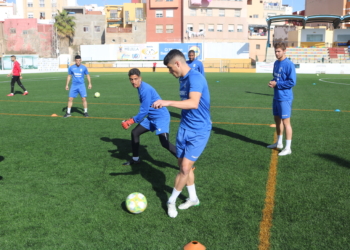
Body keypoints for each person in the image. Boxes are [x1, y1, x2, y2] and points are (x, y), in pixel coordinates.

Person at [152, 49, 211, 218]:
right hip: (184, 128)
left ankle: (171, 201)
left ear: (178, 63)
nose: (171, 72)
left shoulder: (196, 78)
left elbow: (193, 103)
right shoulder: (183, 79)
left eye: (171, 69)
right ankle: (193, 198)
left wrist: (167, 102)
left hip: (199, 130)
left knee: (185, 168)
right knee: (183, 166)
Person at [121, 68, 177, 165]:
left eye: (135, 79)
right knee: (135, 133)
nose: (133, 82)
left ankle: (186, 162)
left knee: (164, 143)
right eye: (131, 79)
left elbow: (144, 111)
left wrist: (131, 121)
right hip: (151, 117)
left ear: (140, 78)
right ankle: (135, 159)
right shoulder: (140, 87)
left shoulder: (145, 89)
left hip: (160, 117)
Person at [267, 42, 296, 156]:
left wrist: (277, 84)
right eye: (275, 51)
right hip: (276, 96)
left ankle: (288, 148)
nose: (277, 53)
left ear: (284, 51)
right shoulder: (276, 63)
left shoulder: (289, 64)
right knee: (277, 120)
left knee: (286, 122)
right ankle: (279, 143)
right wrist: (272, 82)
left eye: (279, 51)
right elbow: (276, 77)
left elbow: (292, 82)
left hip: (285, 97)